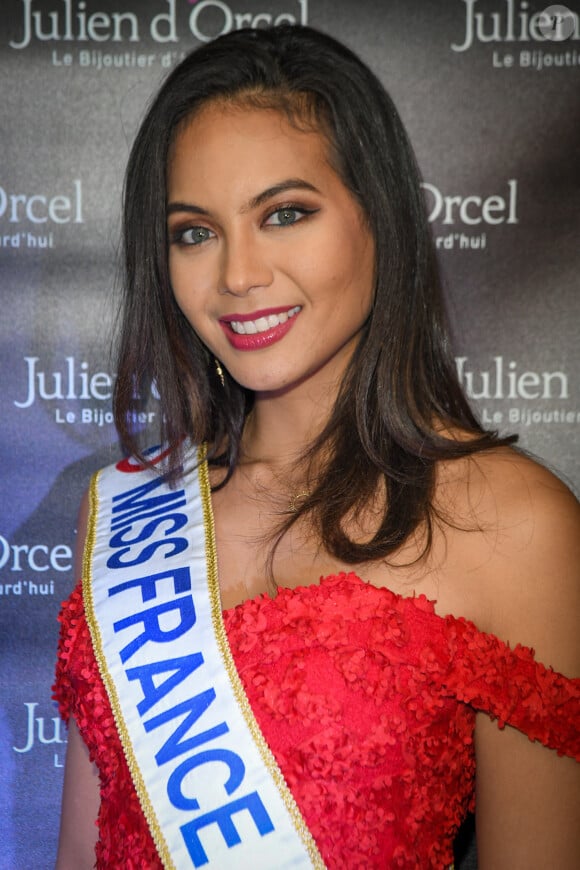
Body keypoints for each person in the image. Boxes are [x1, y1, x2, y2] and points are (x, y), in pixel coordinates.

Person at [53, 24, 579, 870]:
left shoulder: (516, 528)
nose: (238, 275)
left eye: (285, 214)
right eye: (194, 231)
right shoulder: (122, 510)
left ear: (380, 218)